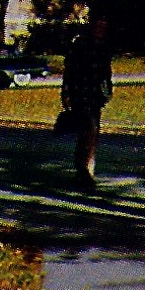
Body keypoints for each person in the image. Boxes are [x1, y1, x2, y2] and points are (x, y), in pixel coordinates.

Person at [60, 18, 112, 190]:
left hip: (96, 96)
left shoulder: (103, 47)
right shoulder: (81, 45)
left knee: (91, 133)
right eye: (98, 27)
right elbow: (70, 70)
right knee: (89, 130)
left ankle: (86, 170)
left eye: (103, 27)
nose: (100, 30)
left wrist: (107, 91)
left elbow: (105, 72)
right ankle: (83, 171)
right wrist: (66, 92)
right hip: (80, 94)